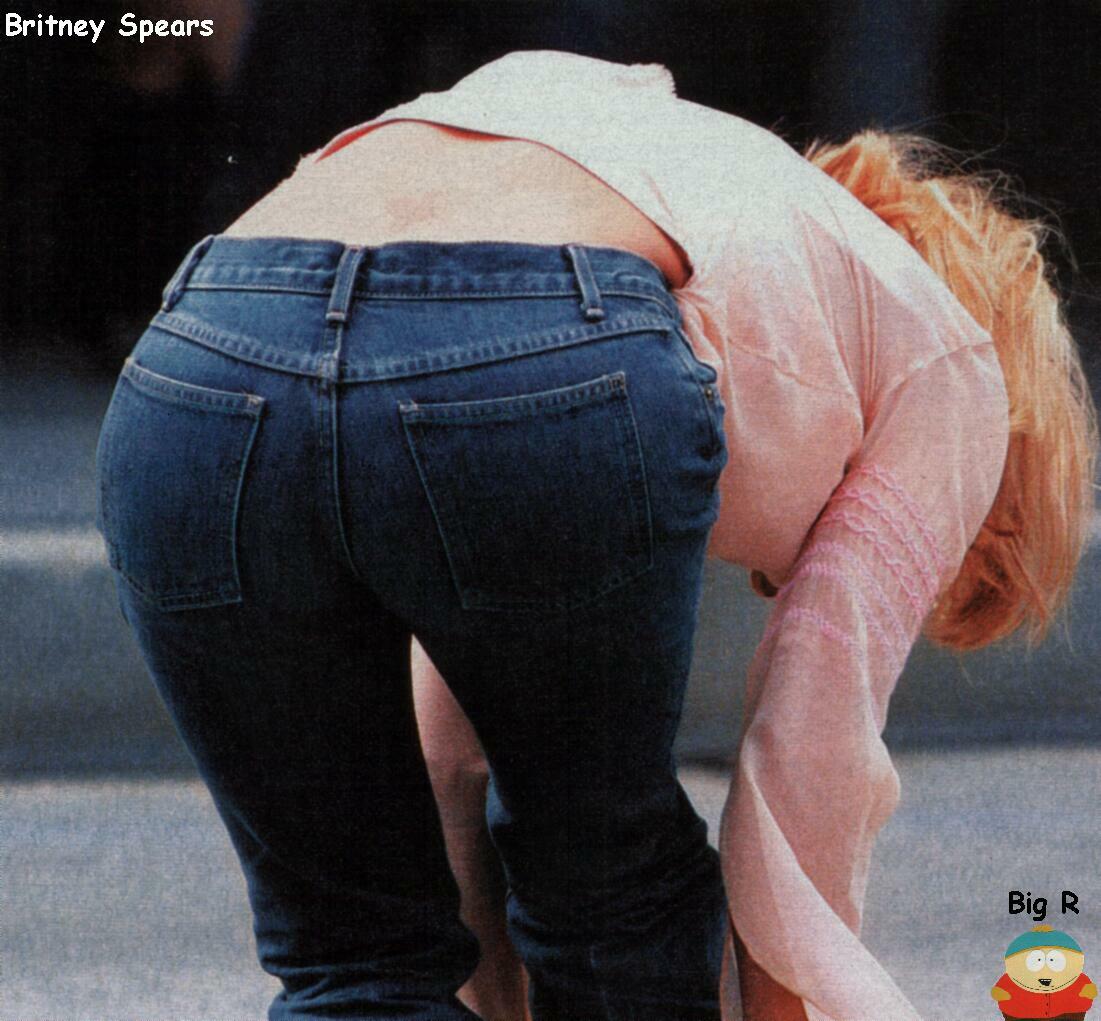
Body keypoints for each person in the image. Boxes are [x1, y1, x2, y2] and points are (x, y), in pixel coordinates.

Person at [93, 50, 1097, 1021]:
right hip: (535, 349)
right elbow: (806, 768)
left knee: (351, 954)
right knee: (615, 901)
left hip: (200, 357)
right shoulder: (954, 364)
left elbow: (451, 756)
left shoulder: (665, 156)